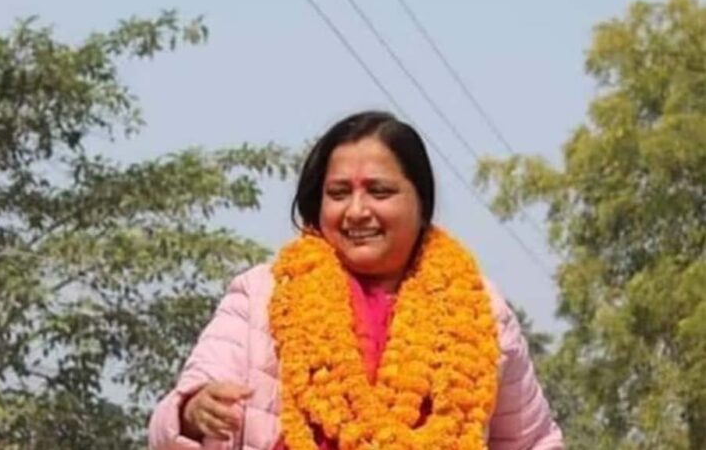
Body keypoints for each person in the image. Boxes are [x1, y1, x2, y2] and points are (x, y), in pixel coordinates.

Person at [148, 111, 563, 450]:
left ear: (421, 204)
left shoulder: (481, 312)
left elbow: (534, 441)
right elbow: (175, 417)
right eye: (339, 193)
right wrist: (192, 412)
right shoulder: (263, 294)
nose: (357, 211)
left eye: (379, 192)